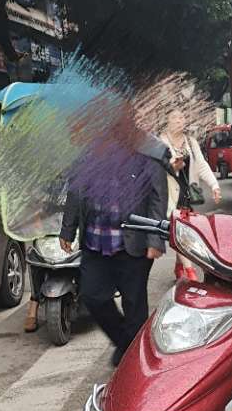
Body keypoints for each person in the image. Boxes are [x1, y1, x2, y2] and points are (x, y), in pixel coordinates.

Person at [60, 148, 168, 364]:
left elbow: (158, 195)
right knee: (92, 296)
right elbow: (74, 191)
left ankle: (136, 362)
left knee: (134, 306)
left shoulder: (145, 149)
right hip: (95, 241)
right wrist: (67, 230)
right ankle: (127, 345)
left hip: (132, 243)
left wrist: (155, 238)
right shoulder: (85, 152)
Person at [159, 107, 221, 217]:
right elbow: (155, 171)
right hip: (167, 198)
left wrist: (214, 185)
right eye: (174, 117)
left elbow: (201, 165)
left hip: (186, 199)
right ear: (167, 121)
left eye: (181, 117)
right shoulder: (160, 142)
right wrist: (172, 168)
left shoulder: (191, 142)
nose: (179, 120)